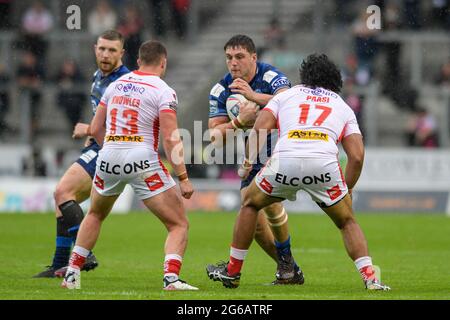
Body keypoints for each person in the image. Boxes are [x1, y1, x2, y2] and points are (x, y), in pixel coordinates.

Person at [207, 54, 391, 291]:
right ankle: (371, 279)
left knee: (250, 204)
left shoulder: (286, 96)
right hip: (323, 165)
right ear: (335, 81)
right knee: (347, 221)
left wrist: (247, 163)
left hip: (286, 160)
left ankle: (232, 271)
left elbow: (260, 127)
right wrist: (348, 187)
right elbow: (357, 156)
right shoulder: (342, 106)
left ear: (304, 76)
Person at [61, 40, 198, 291]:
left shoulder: (115, 85)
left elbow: (95, 128)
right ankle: (171, 278)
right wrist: (183, 177)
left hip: (109, 156)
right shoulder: (163, 89)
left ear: (138, 61)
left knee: (95, 214)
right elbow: (170, 137)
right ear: (163, 62)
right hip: (141, 158)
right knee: (178, 224)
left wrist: (110, 146)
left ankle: (72, 273)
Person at [33, 30, 130, 278]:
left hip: (114, 150)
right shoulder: (98, 76)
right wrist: (92, 131)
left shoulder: (125, 83)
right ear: (95, 49)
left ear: (122, 53)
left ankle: (83, 253)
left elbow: (125, 126)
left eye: (112, 50)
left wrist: (88, 128)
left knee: (62, 192)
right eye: (102, 49)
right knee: (64, 199)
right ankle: (59, 264)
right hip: (99, 146)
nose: (106, 54)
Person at [207, 34, 303, 285]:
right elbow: (215, 138)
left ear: (254, 57)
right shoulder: (220, 89)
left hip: (281, 150)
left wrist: (252, 96)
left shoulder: (271, 77)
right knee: (256, 221)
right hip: (252, 154)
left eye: (239, 57)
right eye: (229, 57)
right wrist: (238, 122)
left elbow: (291, 101)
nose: (233, 63)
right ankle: (289, 267)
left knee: (261, 205)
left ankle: (236, 270)